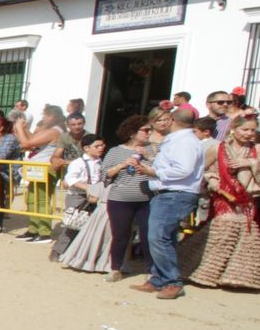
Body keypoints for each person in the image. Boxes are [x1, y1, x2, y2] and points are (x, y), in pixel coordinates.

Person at [177, 114, 260, 291]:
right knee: (223, 230)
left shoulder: (257, 149)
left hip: (247, 198)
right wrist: (211, 180)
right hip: (223, 197)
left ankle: (238, 277)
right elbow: (201, 171)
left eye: (252, 130)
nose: (249, 134)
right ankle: (204, 271)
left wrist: (250, 162)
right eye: (245, 129)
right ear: (233, 129)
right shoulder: (217, 148)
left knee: (246, 232)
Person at [133, 106, 203, 299]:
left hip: (175, 193)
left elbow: (184, 169)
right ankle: (159, 279)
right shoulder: (178, 140)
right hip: (168, 192)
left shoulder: (185, 141)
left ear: (172, 119)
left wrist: (154, 172)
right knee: (163, 237)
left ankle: (172, 281)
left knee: (158, 237)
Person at [100, 114, 154, 282]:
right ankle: (116, 268)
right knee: (121, 235)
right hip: (120, 199)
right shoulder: (116, 151)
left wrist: (148, 157)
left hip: (147, 199)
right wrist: (123, 165)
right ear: (132, 133)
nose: (148, 133)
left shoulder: (153, 149)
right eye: (145, 130)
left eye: (149, 130)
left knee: (148, 236)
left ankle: (150, 271)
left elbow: (163, 170)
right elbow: (105, 174)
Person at [10, 104, 73, 245]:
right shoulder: (51, 130)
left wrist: (19, 127)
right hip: (37, 168)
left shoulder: (55, 131)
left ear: (52, 116)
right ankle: (33, 228)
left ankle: (44, 232)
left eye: (45, 115)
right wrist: (23, 129)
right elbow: (34, 141)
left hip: (47, 168)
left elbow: (27, 144)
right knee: (32, 198)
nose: (43, 118)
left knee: (42, 199)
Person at [53, 133, 107, 268]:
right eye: (97, 146)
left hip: (95, 197)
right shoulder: (78, 163)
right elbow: (70, 179)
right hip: (77, 197)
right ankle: (58, 251)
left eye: (102, 145)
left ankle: (79, 254)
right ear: (86, 148)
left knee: (91, 226)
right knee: (73, 225)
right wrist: (88, 188)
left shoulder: (101, 162)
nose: (101, 148)